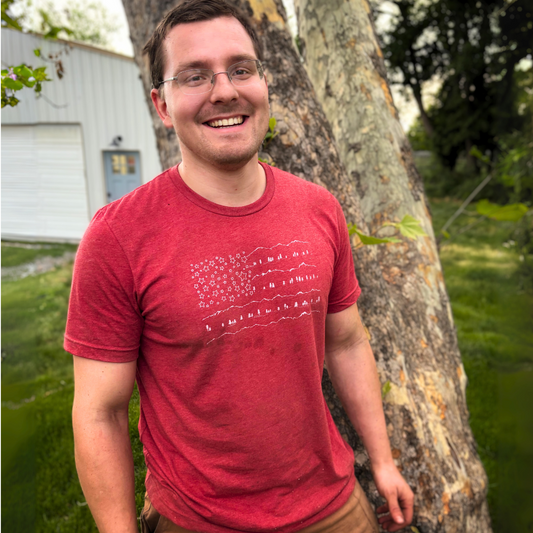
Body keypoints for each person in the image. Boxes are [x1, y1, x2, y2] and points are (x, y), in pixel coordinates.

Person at [66, 1, 414, 532]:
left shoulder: (318, 208)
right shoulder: (118, 238)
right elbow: (100, 413)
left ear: (263, 83)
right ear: (162, 104)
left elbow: (346, 342)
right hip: (200, 520)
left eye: (241, 69)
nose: (224, 90)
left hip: (336, 509)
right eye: (195, 76)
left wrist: (384, 462)